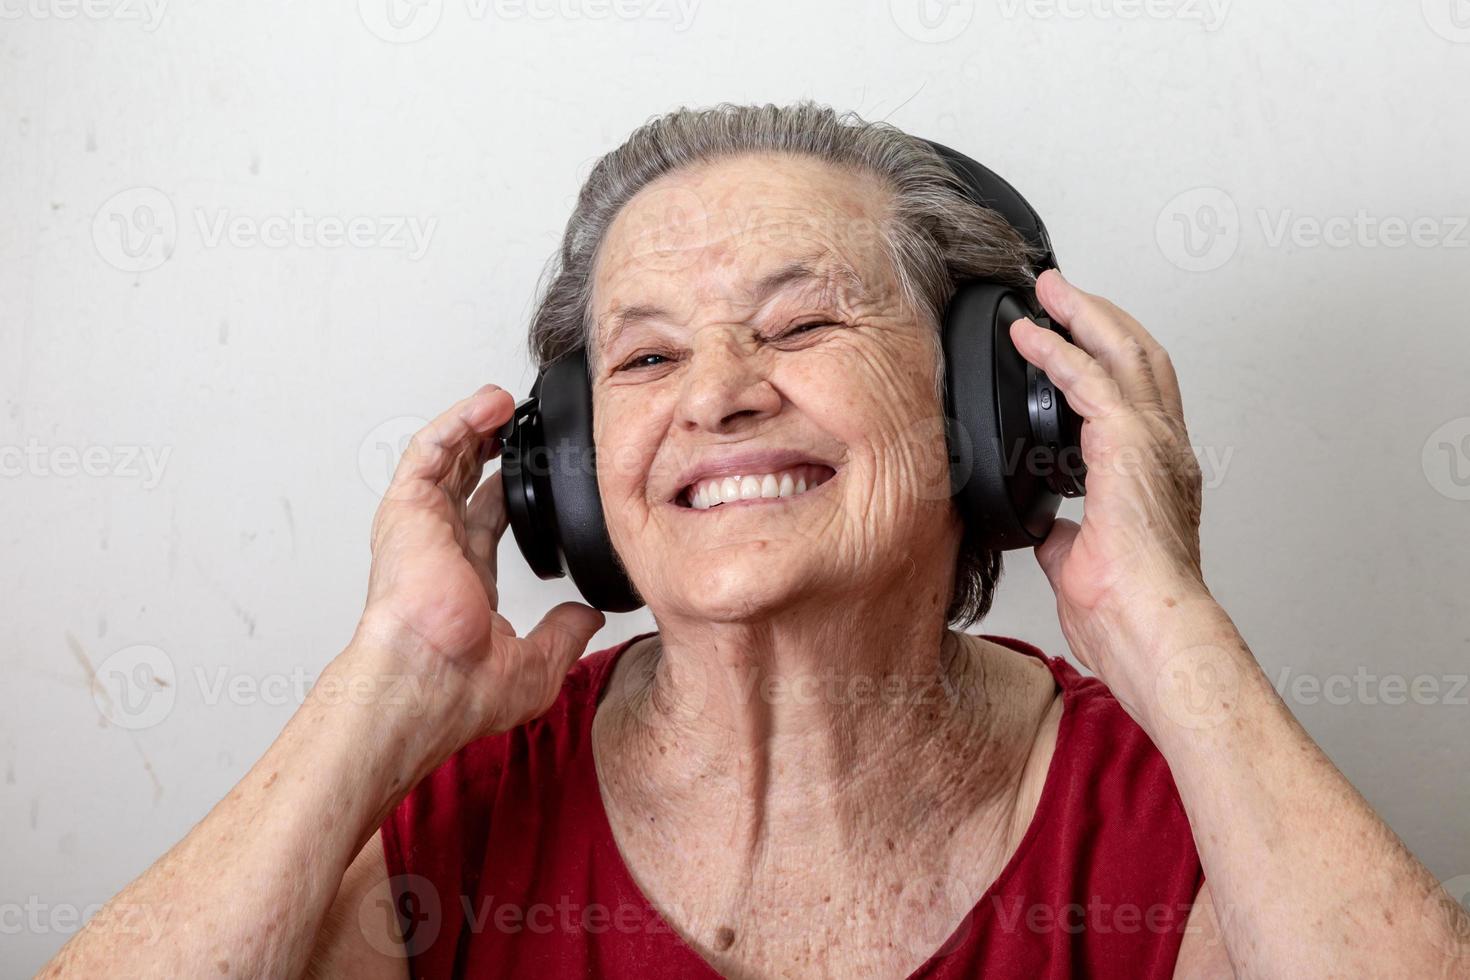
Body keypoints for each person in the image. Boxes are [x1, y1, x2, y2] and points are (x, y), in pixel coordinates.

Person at [42, 102, 1467, 979]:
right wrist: (387, 674)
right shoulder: (442, 833)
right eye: (645, 360)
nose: (719, 392)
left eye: (800, 324)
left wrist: (1173, 633)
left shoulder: (1163, 825)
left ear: (990, 409)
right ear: (569, 473)